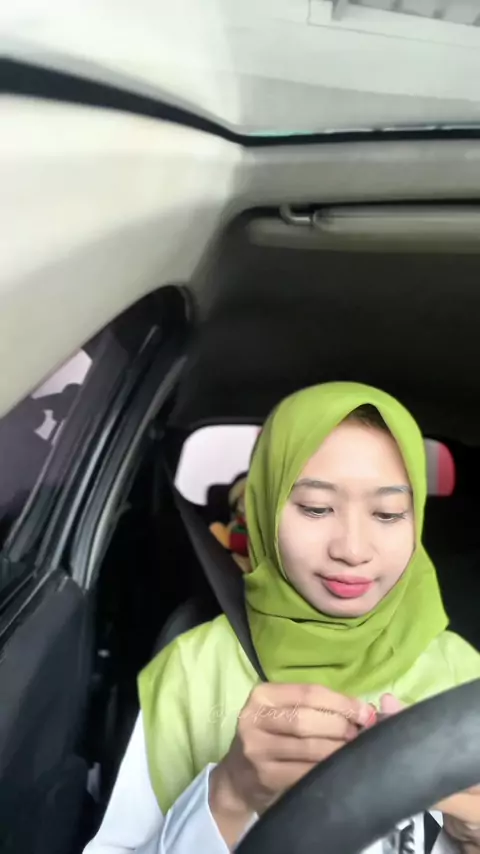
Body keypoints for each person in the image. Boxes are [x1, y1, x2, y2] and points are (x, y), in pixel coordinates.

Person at [83, 382, 480, 854]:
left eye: (389, 513)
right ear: (265, 508)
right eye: (316, 508)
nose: (353, 549)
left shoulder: (463, 674)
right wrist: (230, 794)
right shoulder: (193, 668)